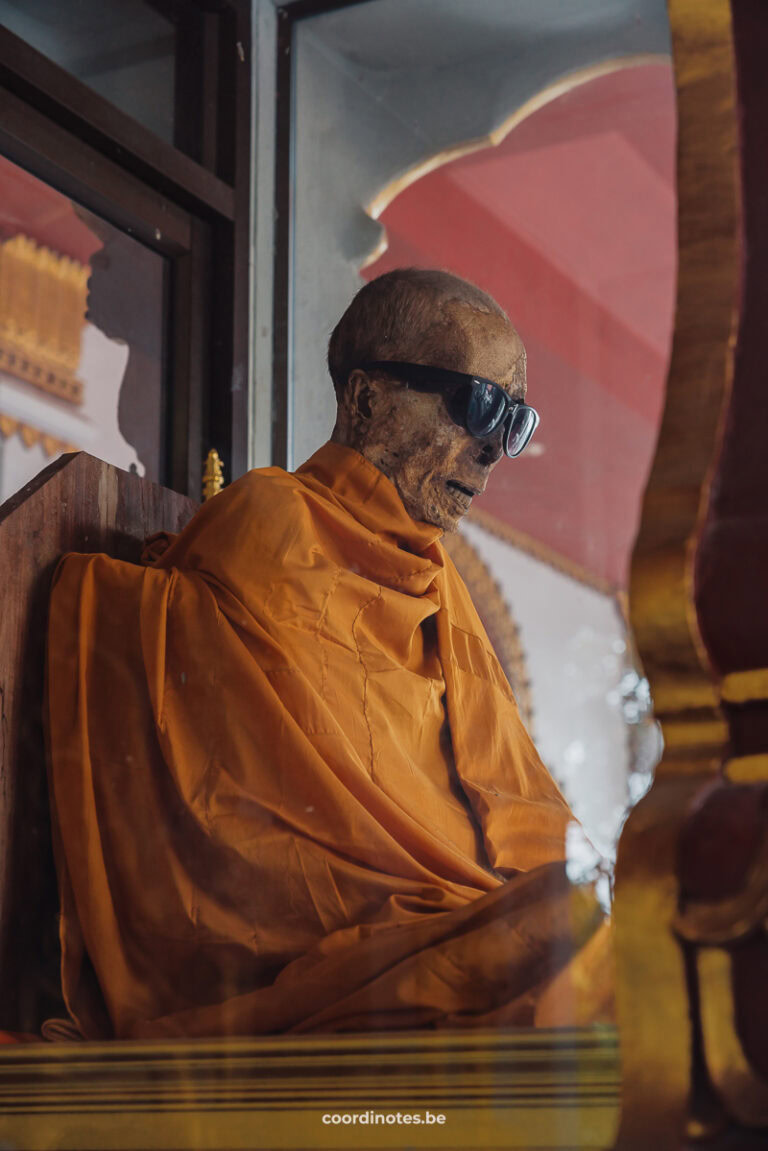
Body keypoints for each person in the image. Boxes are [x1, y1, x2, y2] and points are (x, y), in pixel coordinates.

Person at [45, 268, 612, 1040]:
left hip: (458, 912)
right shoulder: (275, 523)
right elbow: (253, 834)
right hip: (361, 929)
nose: (491, 451)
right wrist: (468, 913)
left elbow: (519, 803)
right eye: (475, 404)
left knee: (626, 922)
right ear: (367, 397)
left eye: (512, 421)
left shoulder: (441, 582)